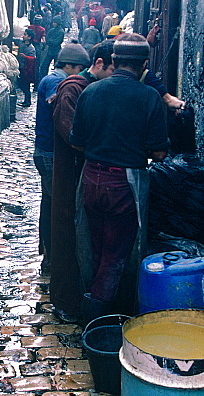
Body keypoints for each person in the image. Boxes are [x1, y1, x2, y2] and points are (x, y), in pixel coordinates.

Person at [69, 34, 169, 321]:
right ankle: (99, 321)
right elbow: (160, 153)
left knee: (93, 247)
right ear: (144, 65)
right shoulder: (148, 97)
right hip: (124, 183)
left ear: (114, 60)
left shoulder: (91, 91)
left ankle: (91, 307)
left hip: (90, 178)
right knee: (116, 254)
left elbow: (77, 142)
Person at [50, 41, 114, 322]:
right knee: (67, 235)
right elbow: (69, 131)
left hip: (89, 173)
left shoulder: (98, 89)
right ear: (98, 64)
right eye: (112, 69)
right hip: (71, 174)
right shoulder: (74, 87)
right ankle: (66, 302)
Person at [34, 43, 90, 270]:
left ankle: (49, 252)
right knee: (54, 205)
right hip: (49, 152)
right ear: (68, 65)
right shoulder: (55, 81)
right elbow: (56, 100)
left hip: (46, 150)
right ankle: (51, 255)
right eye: (78, 69)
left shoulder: (55, 79)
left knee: (49, 202)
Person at [17, 29, 37, 107]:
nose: (23, 36)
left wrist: (25, 57)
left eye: (25, 35)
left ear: (29, 37)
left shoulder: (31, 48)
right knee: (22, 85)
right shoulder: (21, 43)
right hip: (21, 67)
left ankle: (27, 101)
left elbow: (33, 59)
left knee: (26, 86)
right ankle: (26, 101)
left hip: (26, 69)